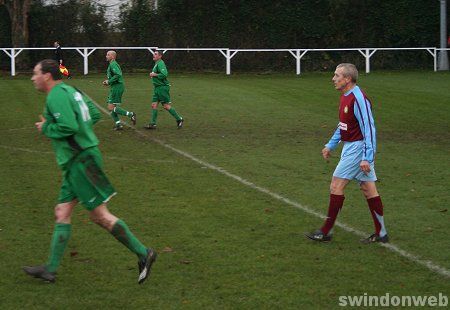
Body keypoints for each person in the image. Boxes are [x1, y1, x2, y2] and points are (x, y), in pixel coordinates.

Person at [24, 59, 157, 284]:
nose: (32, 78)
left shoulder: (55, 95)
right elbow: (93, 116)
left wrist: (46, 127)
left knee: (100, 216)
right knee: (62, 211)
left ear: (47, 76)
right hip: (78, 159)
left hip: (80, 161)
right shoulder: (72, 90)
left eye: (35, 73)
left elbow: (68, 126)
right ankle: (50, 270)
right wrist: (83, 136)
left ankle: (144, 253)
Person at [305, 63, 388, 244]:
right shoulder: (345, 96)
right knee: (368, 189)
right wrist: (331, 145)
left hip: (358, 149)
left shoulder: (359, 99)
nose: (333, 79)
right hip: (351, 147)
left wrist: (367, 157)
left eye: (337, 75)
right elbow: (343, 125)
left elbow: (369, 129)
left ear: (347, 79)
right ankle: (381, 233)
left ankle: (326, 231)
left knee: (336, 185)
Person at [144, 50, 183, 130]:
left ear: (160, 56)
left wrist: (154, 74)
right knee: (154, 105)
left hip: (162, 88)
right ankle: (153, 124)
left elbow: (164, 74)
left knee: (166, 106)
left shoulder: (161, 63)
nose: (153, 55)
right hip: (157, 88)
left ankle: (179, 119)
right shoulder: (157, 63)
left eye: (155, 54)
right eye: (153, 54)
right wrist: (153, 75)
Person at [103, 50, 136, 130]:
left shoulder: (113, 64)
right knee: (111, 107)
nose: (106, 56)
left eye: (108, 55)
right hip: (115, 87)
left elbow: (118, 74)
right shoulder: (112, 64)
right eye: (106, 54)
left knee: (111, 107)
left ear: (113, 57)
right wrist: (108, 82)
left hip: (117, 87)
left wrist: (109, 81)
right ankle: (118, 125)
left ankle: (131, 114)